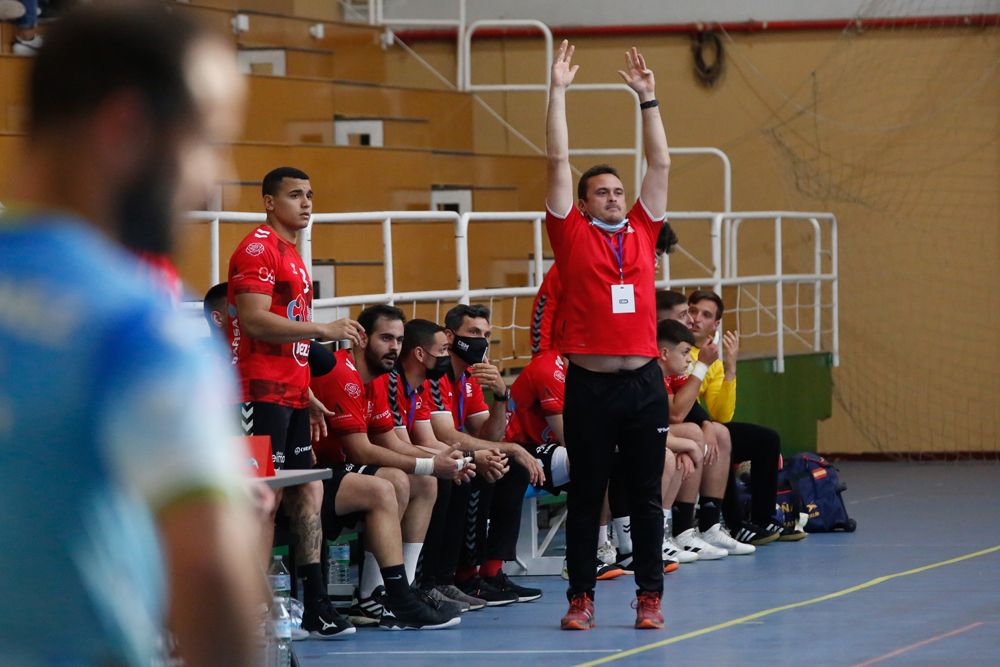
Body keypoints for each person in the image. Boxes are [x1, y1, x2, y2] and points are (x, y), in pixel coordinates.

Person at [0, 4, 261, 665]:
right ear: (127, 126)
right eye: (205, 139)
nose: (214, 179)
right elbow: (210, 569)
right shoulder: (137, 329)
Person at [547, 40, 671, 631]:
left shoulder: (644, 229)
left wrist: (648, 100)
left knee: (644, 494)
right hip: (591, 386)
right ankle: (581, 598)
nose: (616, 198)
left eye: (619, 191)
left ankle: (649, 597)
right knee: (586, 492)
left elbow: (662, 165)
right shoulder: (570, 235)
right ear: (582, 202)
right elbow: (556, 161)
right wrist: (559, 92)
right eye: (603, 192)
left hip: (644, 382)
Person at [227, 166, 365, 638]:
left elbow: (284, 341)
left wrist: (304, 390)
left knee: (309, 491)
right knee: (262, 501)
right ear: (269, 201)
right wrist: (323, 329)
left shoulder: (293, 255)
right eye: (294, 195)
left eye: (310, 194)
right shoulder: (258, 248)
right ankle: (252, 611)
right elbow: (255, 321)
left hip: (289, 395)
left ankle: (316, 606)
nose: (306, 203)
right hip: (258, 396)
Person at [309, 305, 471, 626]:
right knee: (395, 481)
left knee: (423, 481)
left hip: (345, 472)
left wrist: (432, 463)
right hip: (320, 473)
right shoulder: (345, 375)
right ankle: (376, 597)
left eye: (398, 339)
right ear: (361, 339)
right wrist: (427, 463)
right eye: (385, 338)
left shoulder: (380, 379)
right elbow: (361, 451)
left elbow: (391, 443)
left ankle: (399, 591)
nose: (394, 347)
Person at [409, 305, 544, 606]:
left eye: (486, 334)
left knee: (510, 468)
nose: (481, 341)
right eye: (473, 333)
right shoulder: (436, 375)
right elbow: (446, 435)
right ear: (449, 336)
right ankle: (461, 575)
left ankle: (491, 572)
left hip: (452, 453)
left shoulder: (470, 377)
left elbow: (490, 435)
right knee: (470, 472)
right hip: (437, 454)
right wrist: (500, 450)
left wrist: (500, 396)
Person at [685, 290, 800, 544]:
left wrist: (730, 367)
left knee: (767, 440)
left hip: (705, 425)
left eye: (705, 315)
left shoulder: (710, 357)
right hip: (684, 426)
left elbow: (721, 413)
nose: (696, 319)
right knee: (720, 438)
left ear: (715, 325)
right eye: (692, 311)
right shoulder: (677, 349)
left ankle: (762, 517)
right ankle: (735, 525)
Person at [657, 319, 755, 558]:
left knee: (719, 432)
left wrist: (707, 423)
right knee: (690, 436)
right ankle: (670, 532)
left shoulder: (670, 368)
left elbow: (716, 413)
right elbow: (676, 413)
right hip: (638, 439)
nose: (691, 320)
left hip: (659, 432)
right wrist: (701, 366)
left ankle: (707, 526)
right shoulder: (651, 371)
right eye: (685, 313)